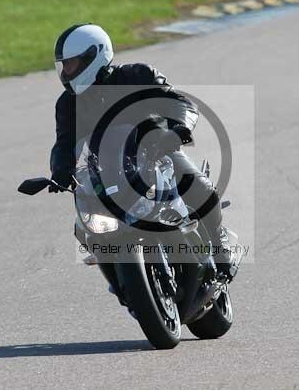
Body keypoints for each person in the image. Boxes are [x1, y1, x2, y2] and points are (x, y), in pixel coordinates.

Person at [48, 23, 233, 278]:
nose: (66, 72)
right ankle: (121, 282)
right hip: (107, 171)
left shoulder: (137, 75)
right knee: (86, 229)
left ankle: (219, 242)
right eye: (63, 65)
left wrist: (178, 129)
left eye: (71, 64)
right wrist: (60, 170)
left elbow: (180, 102)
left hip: (157, 154)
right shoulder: (68, 104)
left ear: (95, 55)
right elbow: (64, 143)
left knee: (201, 189)